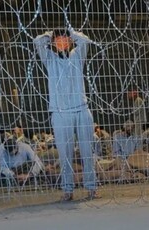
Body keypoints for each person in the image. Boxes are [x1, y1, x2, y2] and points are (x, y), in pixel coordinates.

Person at [34, 27, 100, 200]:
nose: (62, 40)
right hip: (60, 112)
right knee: (65, 154)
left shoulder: (77, 56)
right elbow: (37, 41)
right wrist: (50, 36)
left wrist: (71, 33)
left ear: (70, 41)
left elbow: (85, 40)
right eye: (58, 39)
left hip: (81, 109)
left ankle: (92, 188)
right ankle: (68, 190)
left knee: (88, 152)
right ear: (54, 43)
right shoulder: (50, 60)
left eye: (65, 38)